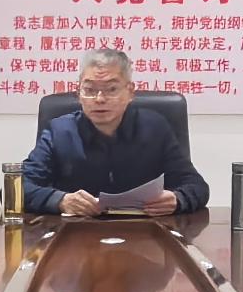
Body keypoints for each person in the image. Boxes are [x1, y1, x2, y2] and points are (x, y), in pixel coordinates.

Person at [17, 47, 207, 217]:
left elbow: (196, 186)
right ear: (78, 93)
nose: (99, 99)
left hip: (145, 233)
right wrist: (59, 200)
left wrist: (178, 199)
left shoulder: (154, 128)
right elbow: (17, 188)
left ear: (130, 92)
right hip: (75, 233)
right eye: (89, 89)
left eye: (111, 89)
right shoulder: (59, 132)